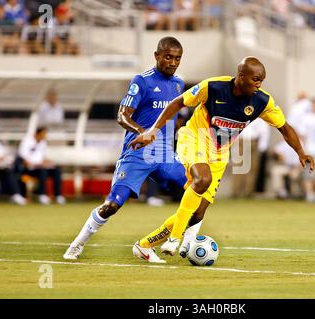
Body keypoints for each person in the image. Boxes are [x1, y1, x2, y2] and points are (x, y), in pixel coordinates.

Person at [130, 56, 315, 257]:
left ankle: (145, 245)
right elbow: (177, 103)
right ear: (241, 76)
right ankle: (175, 239)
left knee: (198, 211)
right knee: (203, 179)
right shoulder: (212, 87)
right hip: (194, 137)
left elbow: (284, 128)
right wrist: (153, 130)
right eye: (255, 79)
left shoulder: (262, 101)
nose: (259, 84)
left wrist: (301, 152)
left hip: (220, 151)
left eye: (261, 80)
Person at [63, 37, 209, 263]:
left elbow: (172, 116)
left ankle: (167, 243)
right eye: (168, 57)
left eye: (177, 58)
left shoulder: (179, 83)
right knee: (112, 205)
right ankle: (77, 244)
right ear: (157, 56)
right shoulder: (142, 81)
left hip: (163, 155)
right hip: (137, 154)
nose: (172, 62)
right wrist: (143, 131)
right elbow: (122, 115)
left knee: (197, 193)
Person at [15, 126, 66, 205]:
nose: (45, 136)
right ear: (37, 134)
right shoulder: (27, 141)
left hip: (40, 167)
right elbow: (24, 159)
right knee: (43, 172)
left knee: (57, 171)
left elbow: (41, 158)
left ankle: (58, 195)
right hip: (29, 169)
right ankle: (42, 195)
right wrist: (37, 164)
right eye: (44, 134)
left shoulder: (43, 143)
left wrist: (48, 162)